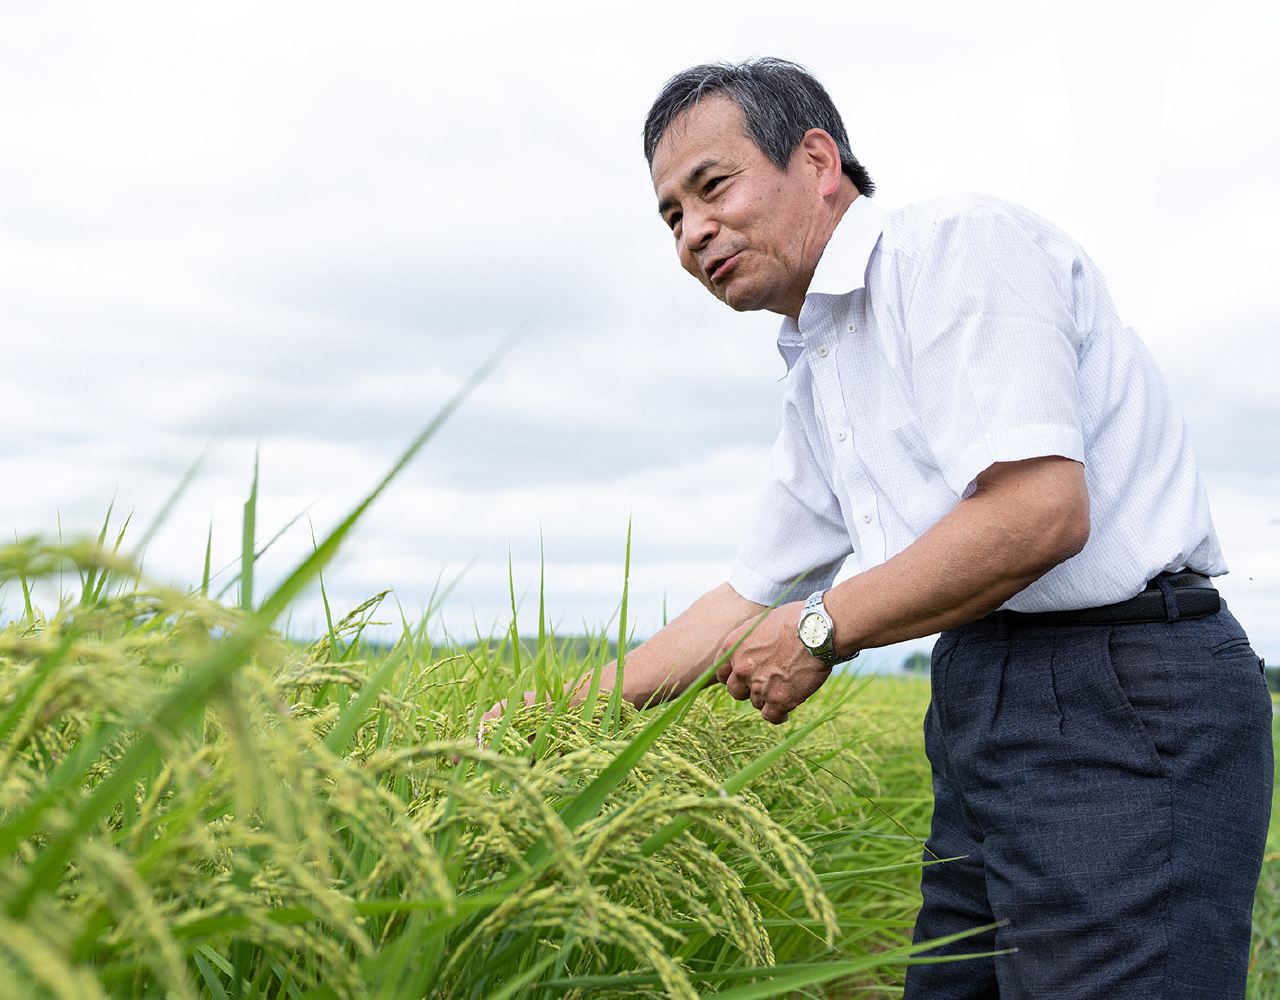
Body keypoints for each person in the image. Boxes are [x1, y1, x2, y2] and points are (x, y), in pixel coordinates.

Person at [499, 57, 1274, 996]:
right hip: (982, 688)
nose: (694, 231)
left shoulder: (953, 249)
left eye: (712, 188)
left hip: (1119, 689)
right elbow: (745, 599)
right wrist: (541, 722)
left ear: (818, 161)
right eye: (671, 216)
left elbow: (1038, 510)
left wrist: (824, 627)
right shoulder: (822, 366)